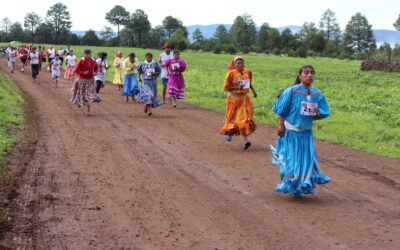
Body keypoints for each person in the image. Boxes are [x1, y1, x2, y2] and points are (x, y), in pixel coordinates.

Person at [270, 65, 330, 198]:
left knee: (306, 161)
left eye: (312, 73)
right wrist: (281, 126)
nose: (310, 75)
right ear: (300, 76)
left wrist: (317, 114)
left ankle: (301, 185)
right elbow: (280, 109)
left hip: (306, 133)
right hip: (291, 131)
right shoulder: (292, 91)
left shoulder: (317, 94)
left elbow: (322, 113)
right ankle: (288, 183)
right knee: (291, 160)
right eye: (306, 73)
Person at [220, 56, 257, 150]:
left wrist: (253, 91)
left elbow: (249, 83)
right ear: (234, 64)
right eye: (238, 63)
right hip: (233, 99)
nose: (240, 65)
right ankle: (229, 133)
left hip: (244, 99)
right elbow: (226, 88)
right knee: (231, 117)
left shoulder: (248, 72)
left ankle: (246, 141)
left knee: (245, 119)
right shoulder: (230, 74)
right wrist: (236, 88)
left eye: (242, 63)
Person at [70, 49, 99, 116]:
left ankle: (88, 110)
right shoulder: (81, 61)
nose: (89, 55)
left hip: (91, 81)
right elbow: (76, 70)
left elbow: (96, 68)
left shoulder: (93, 60)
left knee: (88, 95)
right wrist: (83, 72)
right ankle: (78, 102)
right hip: (82, 80)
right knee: (80, 93)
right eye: (87, 54)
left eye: (90, 54)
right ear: (84, 54)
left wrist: (95, 72)